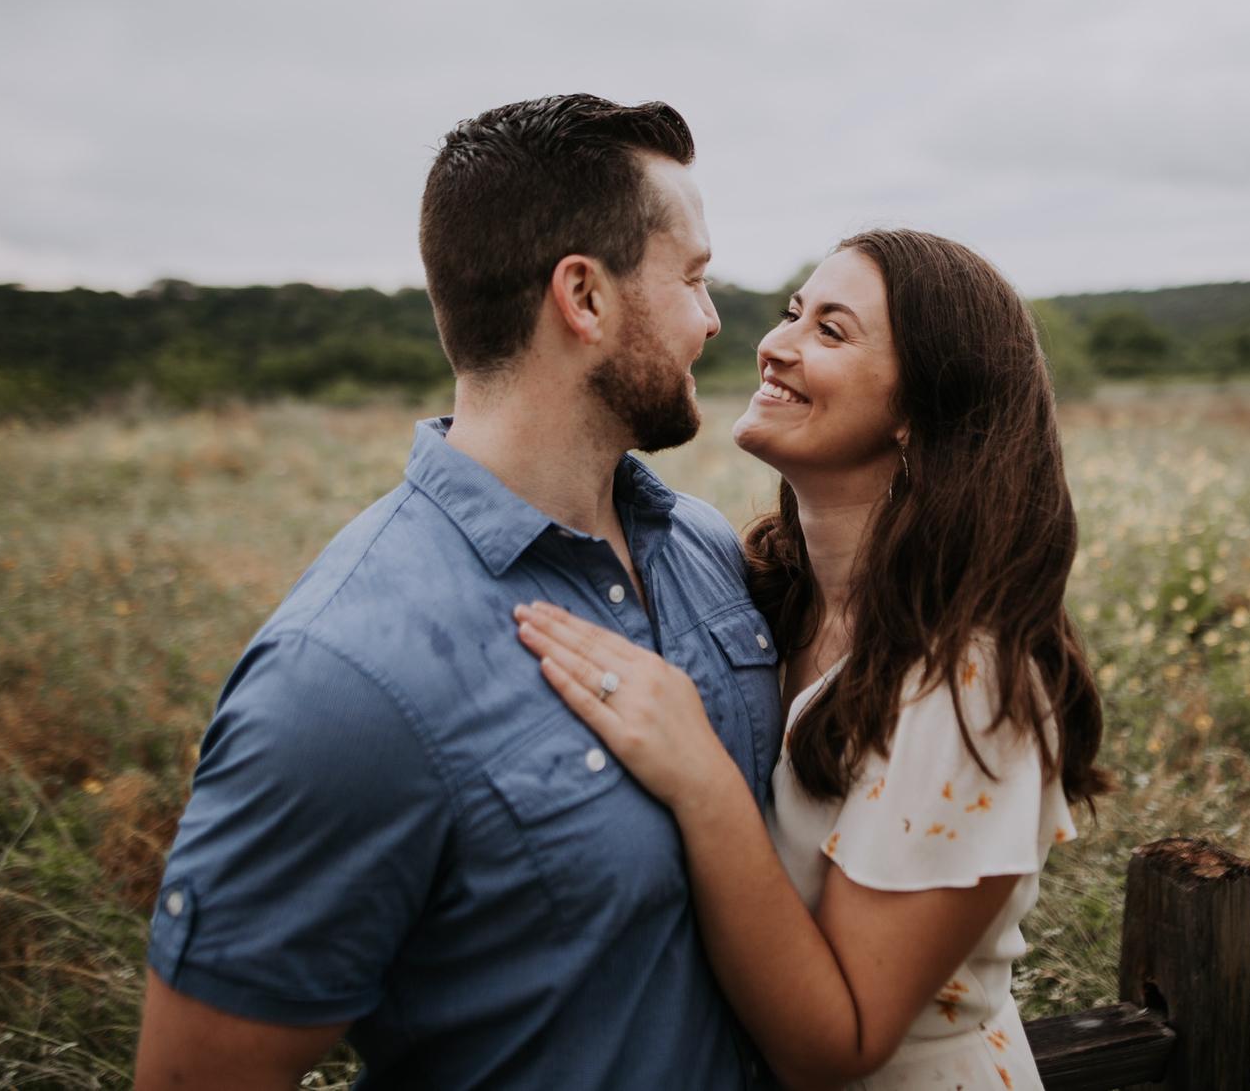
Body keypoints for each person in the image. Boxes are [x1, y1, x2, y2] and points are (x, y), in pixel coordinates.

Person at [133, 94, 784, 1089]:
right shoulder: (340, 676)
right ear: (585, 296)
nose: (709, 317)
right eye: (692, 277)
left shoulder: (701, 547)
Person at [515, 228, 1108, 1090]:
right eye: (794, 312)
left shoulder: (968, 678)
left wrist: (699, 777)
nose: (774, 344)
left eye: (831, 331)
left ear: (919, 408)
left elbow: (837, 1044)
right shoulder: (770, 595)